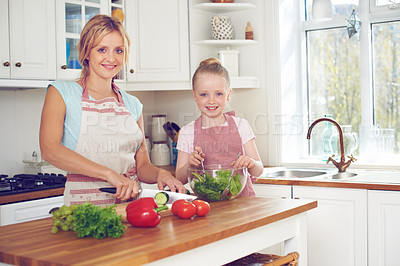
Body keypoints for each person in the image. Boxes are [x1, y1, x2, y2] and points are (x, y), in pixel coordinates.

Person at [39, 14, 186, 206]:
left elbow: (141, 165)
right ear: (86, 53)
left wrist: (161, 173)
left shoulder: (132, 104)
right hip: (84, 209)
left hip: (129, 209)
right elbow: (50, 150)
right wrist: (110, 175)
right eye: (101, 49)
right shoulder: (62, 93)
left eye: (119, 50)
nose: (111, 58)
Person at [175, 58, 263, 196]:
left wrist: (251, 163)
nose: (211, 100)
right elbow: (179, 177)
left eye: (219, 94)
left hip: (243, 204)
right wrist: (190, 165)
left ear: (228, 94)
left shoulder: (241, 125)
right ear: (195, 96)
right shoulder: (187, 132)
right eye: (204, 94)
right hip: (207, 207)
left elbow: (259, 170)